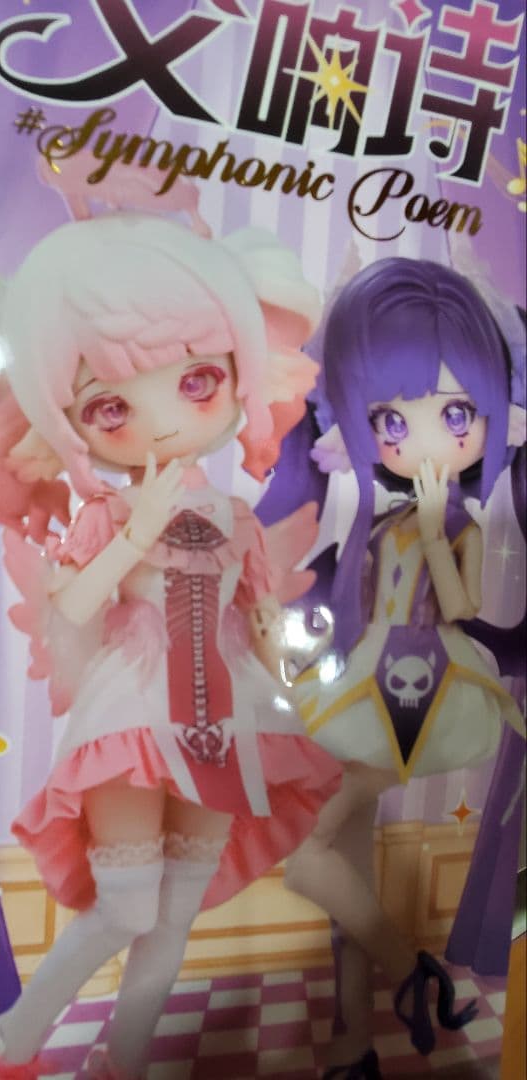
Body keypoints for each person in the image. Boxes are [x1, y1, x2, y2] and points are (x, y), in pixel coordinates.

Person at [0, 167, 342, 1079]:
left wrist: (291, 669)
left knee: (173, 915)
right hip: (132, 717)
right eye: (111, 406)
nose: (160, 421)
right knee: (125, 906)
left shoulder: (235, 519)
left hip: (225, 719)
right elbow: (75, 607)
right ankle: (12, 1044)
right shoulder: (105, 516)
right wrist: (135, 532)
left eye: (196, 381)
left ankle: (123, 1064)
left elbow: (261, 621)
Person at [257, 257, 526, 1080]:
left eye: (455, 413)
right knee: (347, 866)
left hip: (415, 697)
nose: (426, 439)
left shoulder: (458, 524)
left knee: (305, 855)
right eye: (390, 419)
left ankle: (413, 970)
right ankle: (354, 1045)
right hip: (359, 689)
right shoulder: (377, 520)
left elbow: (459, 603)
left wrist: (440, 525)